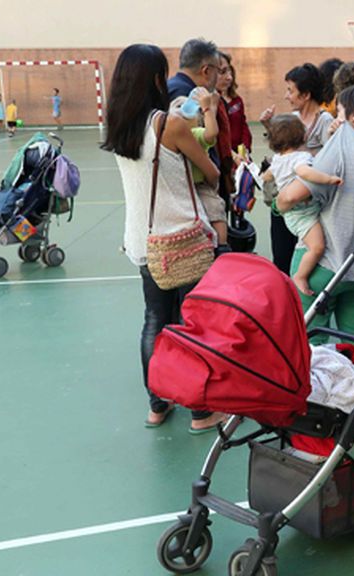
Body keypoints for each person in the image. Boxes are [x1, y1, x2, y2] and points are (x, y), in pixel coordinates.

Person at [101, 44, 226, 433]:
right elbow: (210, 172)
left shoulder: (119, 124)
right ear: (157, 79)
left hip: (142, 239)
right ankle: (201, 413)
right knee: (193, 324)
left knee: (154, 319)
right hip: (182, 237)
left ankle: (157, 405)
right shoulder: (166, 124)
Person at [277, 83, 354, 351]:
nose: (336, 117)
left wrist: (279, 202)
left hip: (325, 262)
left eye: (339, 111)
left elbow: (294, 195)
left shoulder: (344, 139)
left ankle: (312, 392)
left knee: (308, 340)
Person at [259, 63, 335, 273]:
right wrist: (270, 127)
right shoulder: (292, 119)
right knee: (281, 255)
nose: (286, 96)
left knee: (309, 253)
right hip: (284, 201)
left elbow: (330, 159)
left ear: (306, 94)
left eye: (290, 90)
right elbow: (282, 151)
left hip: (307, 205)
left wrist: (301, 159)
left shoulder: (325, 122)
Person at [260, 114, 343, 295]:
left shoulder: (278, 159)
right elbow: (305, 172)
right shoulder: (299, 158)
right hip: (302, 214)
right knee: (317, 247)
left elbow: (267, 176)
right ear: (304, 137)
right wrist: (327, 178)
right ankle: (301, 275)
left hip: (294, 213)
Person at [168, 38, 235, 252]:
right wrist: (212, 173)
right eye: (219, 70)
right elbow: (194, 142)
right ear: (206, 70)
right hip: (194, 187)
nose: (221, 76)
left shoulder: (177, 88)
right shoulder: (188, 98)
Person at [169, 90, 227, 244]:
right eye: (178, 106)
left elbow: (212, 132)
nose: (182, 109)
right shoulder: (169, 137)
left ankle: (222, 245)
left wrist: (207, 109)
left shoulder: (195, 134)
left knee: (215, 209)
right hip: (178, 188)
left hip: (199, 186)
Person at [217, 52, 252, 155]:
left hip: (240, 153)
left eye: (230, 73)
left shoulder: (237, 100)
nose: (229, 78)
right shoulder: (211, 103)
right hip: (226, 155)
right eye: (223, 73)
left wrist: (245, 149)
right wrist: (232, 155)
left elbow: (243, 126)